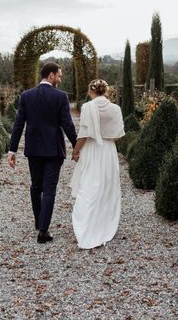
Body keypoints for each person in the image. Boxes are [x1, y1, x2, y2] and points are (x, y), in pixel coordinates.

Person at [8, 62, 77, 244]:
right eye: (59, 76)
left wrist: (12, 150)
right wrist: (78, 146)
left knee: (35, 186)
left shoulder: (26, 96)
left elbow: (18, 124)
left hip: (34, 149)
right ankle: (43, 230)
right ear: (51, 75)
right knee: (49, 190)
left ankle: (40, 222)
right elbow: (67, 125)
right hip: (54, 150)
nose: (60, 79)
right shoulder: (61, 96)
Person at [70, 79, 125, 249]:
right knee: (107, 187)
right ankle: (104, 223)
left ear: (91, 91)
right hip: (108, 151)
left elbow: (84, 134)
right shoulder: (115, 109)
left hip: (92, 150)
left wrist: (76, 150)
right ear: (106, 91)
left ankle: (87, 225)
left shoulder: (88, 107)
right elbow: (118, 135)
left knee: (89, 187)